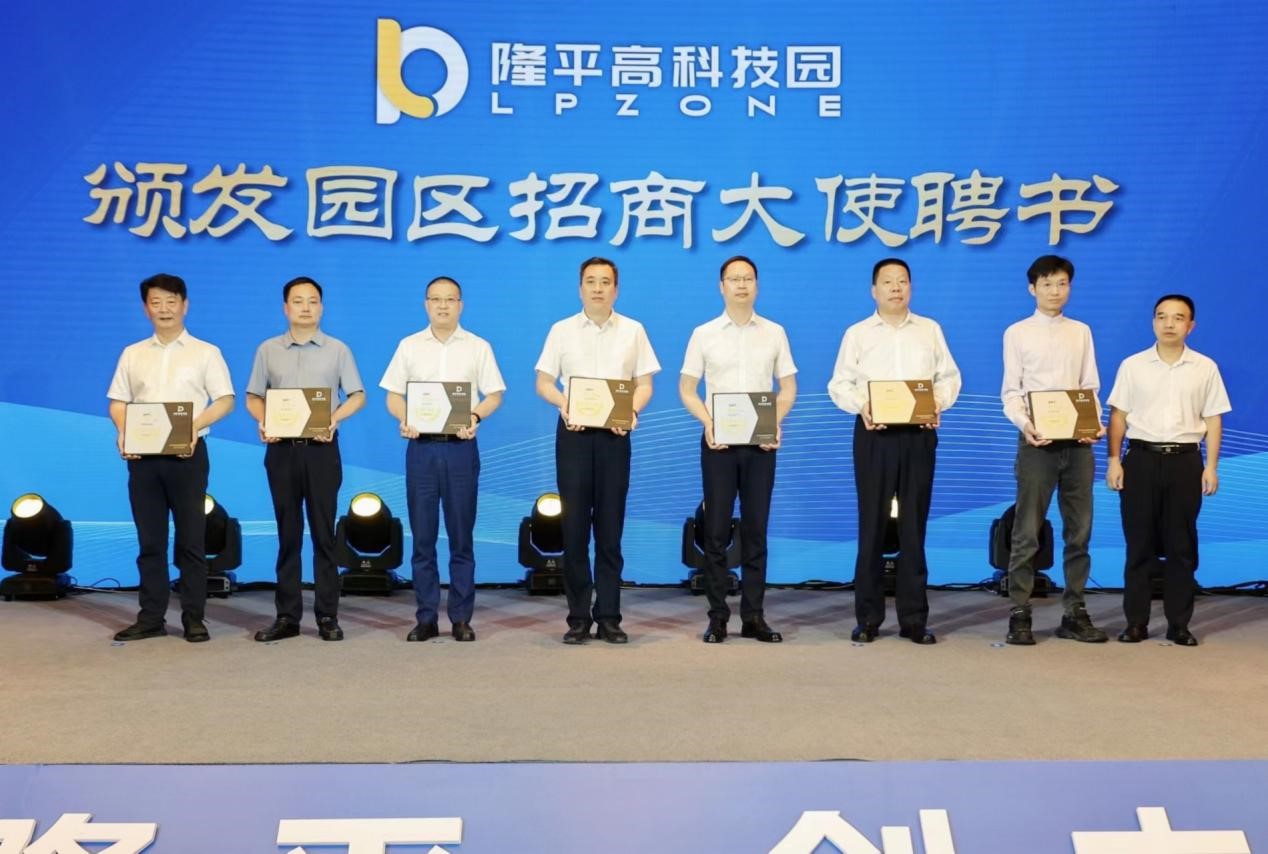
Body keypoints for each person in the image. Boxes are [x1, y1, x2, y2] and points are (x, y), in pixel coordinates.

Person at [828, 258, 961, 644]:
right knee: (871, 524)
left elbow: (949, 377)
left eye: (902, 281)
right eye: (888, 282)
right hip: (875, 434)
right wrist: (863, 405)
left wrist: (937, 402)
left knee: (913, 526)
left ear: (911, 287)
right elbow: (839, 384)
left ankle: (914, 619)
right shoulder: (857, 334)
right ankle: (868, 618)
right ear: (874, 290)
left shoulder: (929, 330)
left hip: (918, 435)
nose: (896, 288)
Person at [535, 257, 660, 644]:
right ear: (580, 288)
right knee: (574, 530)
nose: (598, 288)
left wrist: (631, 412)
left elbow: (644, 384)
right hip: (573, 435)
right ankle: (577, 618)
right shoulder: (561, 330)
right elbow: (543, 381)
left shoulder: (633, 330)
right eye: (591, 281)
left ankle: (609, 617)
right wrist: (564, 404)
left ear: (616, 289)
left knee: (609, 530)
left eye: (606, 282)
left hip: (614, 436)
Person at [106, 273, 234, 642]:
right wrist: (123, 431)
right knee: (150, 541)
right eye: (156, 302)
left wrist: (193, 426)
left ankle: (194, 618)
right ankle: (151, 618)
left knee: (191, 540)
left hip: (187, 455)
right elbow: (118, 401)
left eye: (171, 301)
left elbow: (225, 400)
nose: (164, 309)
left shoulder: (206, 352)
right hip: (143, 458)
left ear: (185, 305)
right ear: (146, 308)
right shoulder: (132, 354)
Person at [381, 276, 505, 643]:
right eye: (436, 299)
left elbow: (495, 394)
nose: (443, 306)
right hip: (421, 449)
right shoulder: (409, 346)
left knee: (461, 537)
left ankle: (461, 618)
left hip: (460, 449)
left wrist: (476, 416)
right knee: (422, 538)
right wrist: (404, 417)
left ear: (460, 305)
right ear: (426, 304)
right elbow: (392, 395)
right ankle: (426, 618)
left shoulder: (478, 346)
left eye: (450, 299)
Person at [679, 255, 796, 644]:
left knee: (756, 530)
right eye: (734, 279)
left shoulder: (775, 332)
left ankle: (754, 616)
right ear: (721, 286)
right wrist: (708, 422)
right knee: (716, 531)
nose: (741, 285)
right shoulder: (704, 333)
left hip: (761, 444)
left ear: (757, 285)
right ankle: (717, 617)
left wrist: (774, 422)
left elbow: (788, 388)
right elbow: (687, 389)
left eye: (748, 278)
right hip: (720, 443)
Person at [245, 276, 365, 643]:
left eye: (313, 301)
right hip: (282, 451)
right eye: (298, 301)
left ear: (321, 308)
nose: (306, 307)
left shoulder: (338, 350)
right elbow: (253, 396)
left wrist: (334, 419)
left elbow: (357, 395)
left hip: (321, 450)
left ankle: (328, 615)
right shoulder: (268, 349)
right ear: (286, 308)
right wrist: (263, 420)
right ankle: (287, 616)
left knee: (324, 535)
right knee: (288, 534)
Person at [1106, 294, 1230, 647]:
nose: (1169, 324)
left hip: (1185, 462)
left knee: (1181, 545)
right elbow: (1118, 416)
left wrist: (1211, 466)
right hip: (1140, 460)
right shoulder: (1133, 365)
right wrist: (1113, 460)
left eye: (1178, 317)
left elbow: (1213, 418)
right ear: (1153, 322)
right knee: (1139, 544)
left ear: (1191, 325)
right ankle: (1136, 623)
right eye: (1161, 316)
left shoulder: (1205, 367)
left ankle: (1179, 624)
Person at [1000, 255, 1107, 645]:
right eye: (1047, 284)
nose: (1055, 291)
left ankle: (1074, 611)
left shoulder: (1081, 331)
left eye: (1062, 284)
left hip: (1078, 445)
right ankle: (1020, 612)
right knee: (1027, 530)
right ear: (1032, 288)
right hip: (1037, 442)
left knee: (1080, 530)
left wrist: (1093, 423)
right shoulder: (1017, 333)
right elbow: (1011, 392)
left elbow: (1089, 386)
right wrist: (1026, 425)